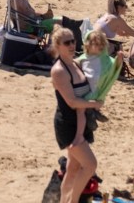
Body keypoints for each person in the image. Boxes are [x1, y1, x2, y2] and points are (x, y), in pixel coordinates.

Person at [50, 26, 100, 203]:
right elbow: (71, 101)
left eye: (73, 40)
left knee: (73, 169)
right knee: (90, 164)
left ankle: (64, 201)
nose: (72, 45)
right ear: (58, 45)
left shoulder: (76, 63)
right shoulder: (59, 70)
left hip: (82, 120)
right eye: (67, 42)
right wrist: (94, 104)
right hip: (68, 124)